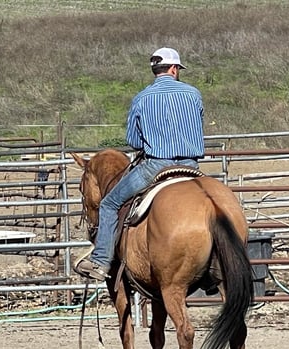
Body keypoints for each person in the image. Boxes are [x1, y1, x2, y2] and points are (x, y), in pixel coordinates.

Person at [74, 47, 205, 282]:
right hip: (190, 166)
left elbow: (133, 141)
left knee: (109, 204)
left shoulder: (142, 98)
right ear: (175, 69)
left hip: (156, 166)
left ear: (156, 70)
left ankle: (101, 261)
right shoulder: (193, 94)